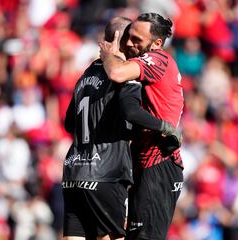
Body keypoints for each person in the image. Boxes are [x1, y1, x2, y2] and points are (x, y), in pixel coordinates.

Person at [62, 17, 180, 240]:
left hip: (73, 170)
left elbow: (69, 123)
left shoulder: (85, 75)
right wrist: (164, 127)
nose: (131, 45)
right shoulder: (124, 76)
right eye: (129, 38)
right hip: (106, 171)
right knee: (112, 237)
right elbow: (131, 112)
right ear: (119, 39)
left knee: (73, 236)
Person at [99, 13, 184, 240]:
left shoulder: (158, 59)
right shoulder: (154, 61)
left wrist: (109, 55)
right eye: (129, 37)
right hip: (148, 163)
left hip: (158, 163)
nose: (129, 43)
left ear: (157, 43)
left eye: (137, 39)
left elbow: (116, 73)